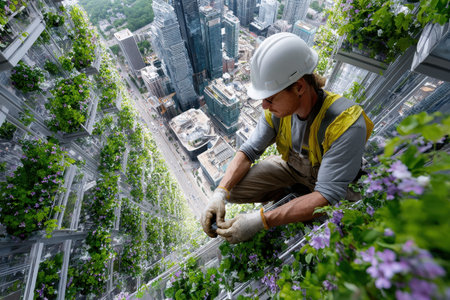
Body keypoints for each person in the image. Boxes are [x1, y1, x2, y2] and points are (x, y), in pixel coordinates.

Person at [200, 32, 374, 244]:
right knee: (232, 189)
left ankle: (297, 205)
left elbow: (326, 196)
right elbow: (249, 150)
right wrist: (219, 193)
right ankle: (292, 198)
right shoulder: (276, 111)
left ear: (299, 87)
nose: (264, 105)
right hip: (295, 170)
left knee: (338, 233)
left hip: (335, 187)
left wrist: (261, 220)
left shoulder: (345, 124)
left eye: (270, 99)